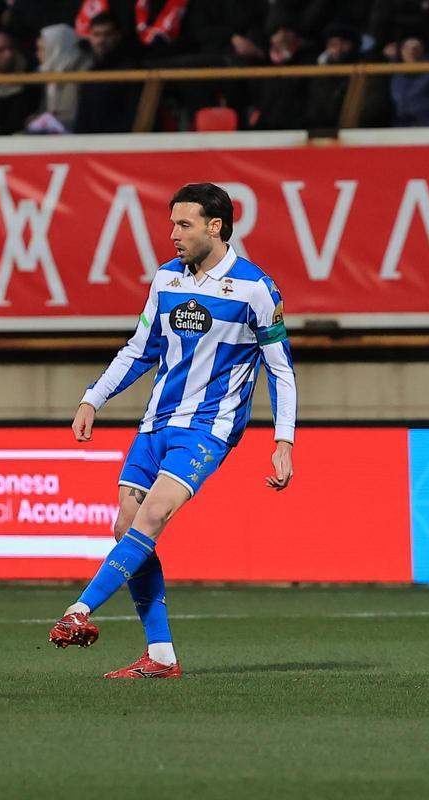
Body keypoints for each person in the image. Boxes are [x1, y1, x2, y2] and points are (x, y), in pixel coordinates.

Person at [50, 183, 297, 679]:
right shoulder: (166, 279)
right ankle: (161, 655)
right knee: (126, 527)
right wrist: (93, 397)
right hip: (156, 423)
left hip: (208, 428)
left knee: (153, 514)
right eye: (172, 225)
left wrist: (283, 441)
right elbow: (140, 349)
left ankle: (79, 609)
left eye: (184, 225)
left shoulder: (256, 289)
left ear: (215, 227)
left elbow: (280, 368)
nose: (173, 235)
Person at [73, 13, 141, 134]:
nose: (101, 41)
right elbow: (82, 119)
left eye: (107, 34)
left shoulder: (132, 72)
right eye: (96, 35)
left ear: (117, 36)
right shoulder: (90, 75)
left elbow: (134, 118)